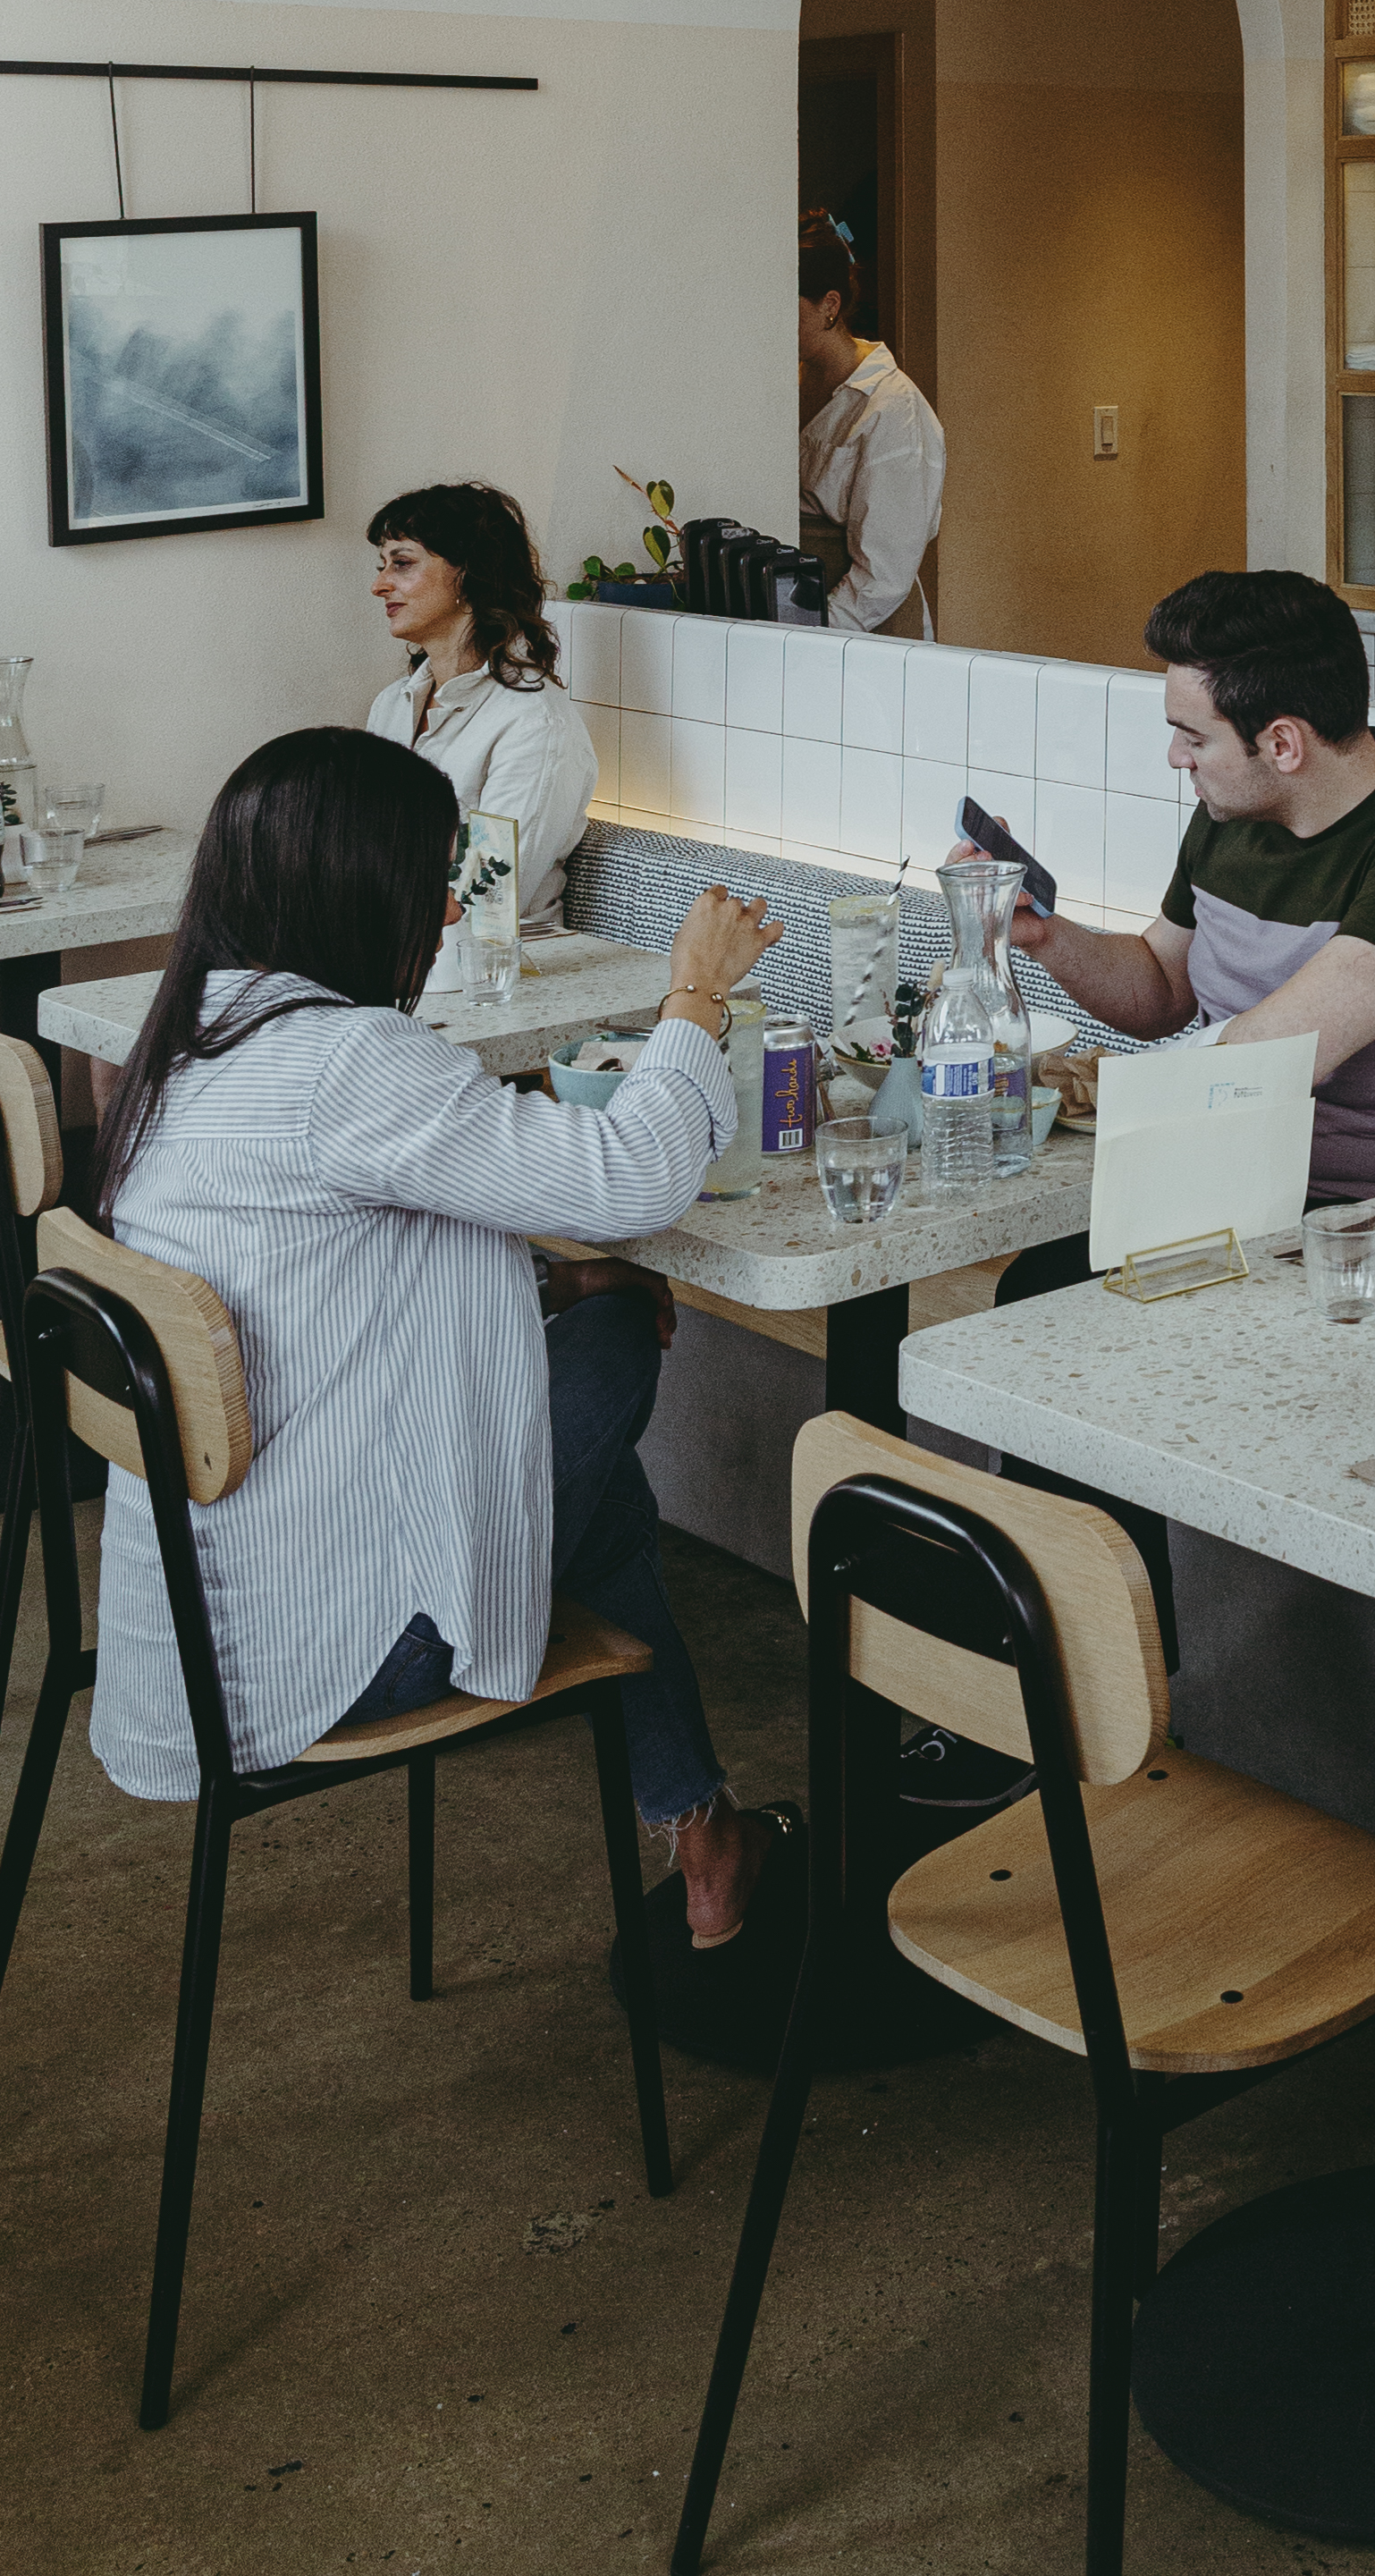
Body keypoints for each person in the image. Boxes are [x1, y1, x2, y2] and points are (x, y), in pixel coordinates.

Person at [89, 725, 781, 1947]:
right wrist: (696, 997)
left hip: (215, 1608)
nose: (448, 913)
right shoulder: (345, 1061)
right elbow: (629, 1179)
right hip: (341, 1639)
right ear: (366, 888)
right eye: (435, 882)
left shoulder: (194, 1030)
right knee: (618, 1330)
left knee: (599, 1465)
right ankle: (706, 1834)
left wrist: (546, 1282)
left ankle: (703, 1830)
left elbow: (344, 1275)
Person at [1003, 568, 1375, 1202]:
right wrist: (1043, 933)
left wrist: (1122, 1097)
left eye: (1194, 737)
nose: (1175, 758)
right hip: (1224, 1176)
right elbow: (1162, 993)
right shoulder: (1233, 815)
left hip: (1374, 1217)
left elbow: (1277, 1057)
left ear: (1281, 744)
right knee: (1029, 1286)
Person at [366, 479, 600, 939]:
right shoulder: (394, 704)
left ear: (470, 574)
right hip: (391, 951)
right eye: (383, 566)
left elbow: (489, 898)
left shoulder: (534, 725)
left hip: (497, 970)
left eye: (403, 564)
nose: (379, 586)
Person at [797, 209, 945, 636]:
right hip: (794, 611)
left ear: (830, 305)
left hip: (862, 622)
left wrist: (814, 633)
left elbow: (886, 572)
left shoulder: (892, 407)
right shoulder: (785, 384)